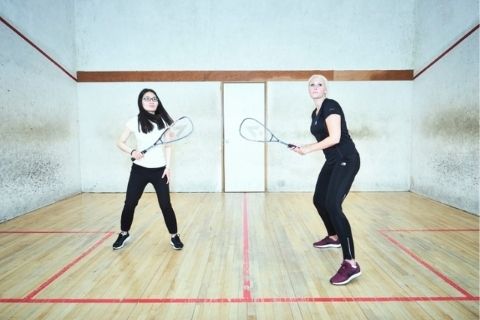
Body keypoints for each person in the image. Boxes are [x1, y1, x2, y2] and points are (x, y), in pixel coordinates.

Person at [292, 75, 360, 285]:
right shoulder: (315, 113)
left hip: (346, 160)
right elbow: (324, 141)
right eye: (311, 84)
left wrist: (307, 149)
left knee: (333, 205)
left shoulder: (331, 106)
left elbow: (335, 138)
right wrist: (301, 148)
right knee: (319, 200)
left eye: (319, 84)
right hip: (332, 161)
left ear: (326, 90)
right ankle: (334, 237)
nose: (315, 87)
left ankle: (350, 263)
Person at [113, 88, 184, 251]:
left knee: (165, 205)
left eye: (154, 98)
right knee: (130, 203)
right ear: (141, 102)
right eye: (147, 98)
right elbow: (120, 142)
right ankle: (124, 233)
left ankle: (174, 235)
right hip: (139, 170)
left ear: (158, 102)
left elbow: (168, 146)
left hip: (159, 171)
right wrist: (132, 152)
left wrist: (168, 167)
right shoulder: (134, 121)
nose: (151, 101)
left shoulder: (165, 122)